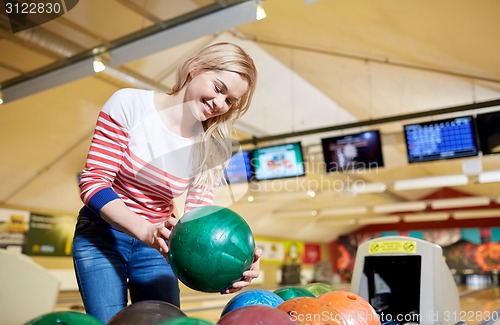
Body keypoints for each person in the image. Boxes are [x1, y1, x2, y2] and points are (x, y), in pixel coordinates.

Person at [72, 42, 262, 323]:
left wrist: (232, 262)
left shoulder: (214, 146)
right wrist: (146, 230)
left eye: (230, 101)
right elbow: (94, 183)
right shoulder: (130, 104)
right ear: (194, 69)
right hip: (102, 236)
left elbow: (196, 217)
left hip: (157, 245)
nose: (219, 104)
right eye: (218, 88)